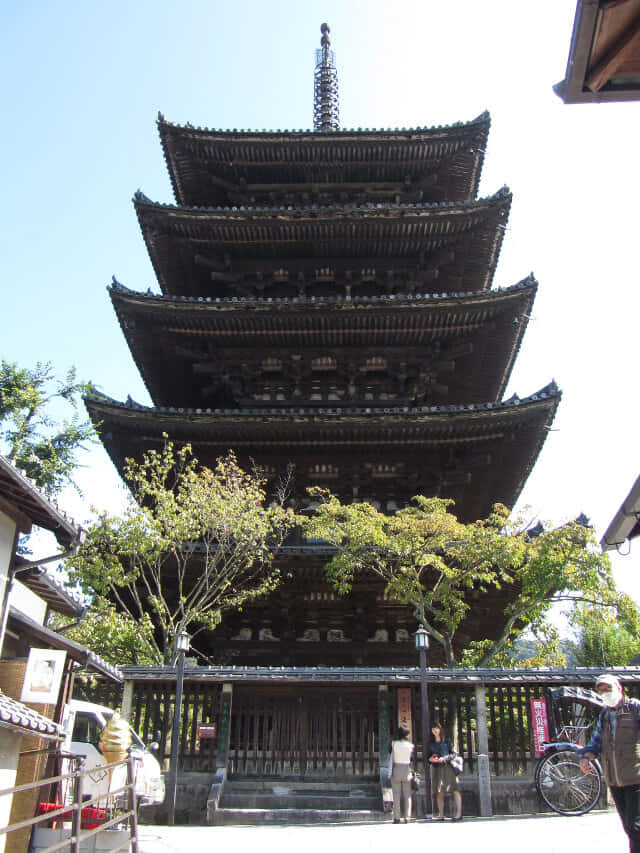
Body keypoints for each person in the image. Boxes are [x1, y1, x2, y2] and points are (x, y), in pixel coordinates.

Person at [579, 674, 640, 853]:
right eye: (601, 691)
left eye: (608, 689)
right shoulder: (605, 714)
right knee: (630, 829)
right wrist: (586, 757)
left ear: (619, 689)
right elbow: (596, 742)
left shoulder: (635, 707)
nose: (606, 694)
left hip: (636, 777)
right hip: (615, 780)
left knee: (634, 826)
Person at [428, 721, 463, 821]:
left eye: (437, 728)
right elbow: (427, 757)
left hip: (448, 767)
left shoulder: (447, 741)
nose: (435, 730)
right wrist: (431, 759)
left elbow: (453, 754)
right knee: (439, 791)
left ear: (440, 730)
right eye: (433, 729)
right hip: (437, 768)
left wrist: (444, 758)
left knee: (455, 789)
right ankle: (441, 814)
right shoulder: (431, 744)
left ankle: (459, 813)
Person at [390, 725, 415, 823]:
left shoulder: (393, 744)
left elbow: (390, 753)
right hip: (406, 769)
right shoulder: (410, 745)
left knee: (396, 794)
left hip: (396, 768)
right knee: (407, 794)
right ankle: (407, 817)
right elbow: (411, 758)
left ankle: (396, 817)